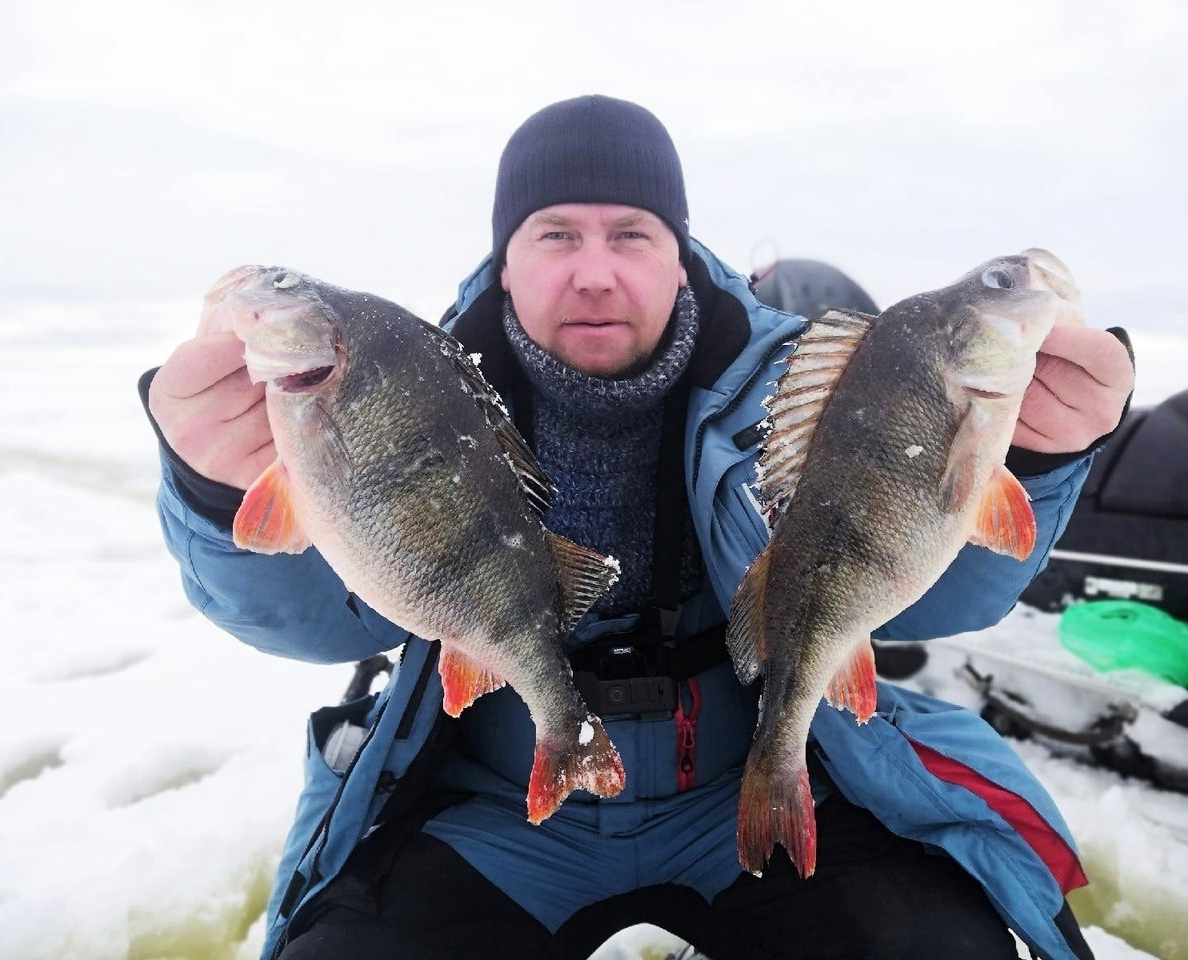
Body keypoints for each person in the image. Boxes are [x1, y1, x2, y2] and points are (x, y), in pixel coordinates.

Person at [139, 95, 1135, 960]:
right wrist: (218, 495)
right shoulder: (405, 390)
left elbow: (937, 595)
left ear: (678, 251)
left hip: (743, 770)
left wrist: (1038, 462)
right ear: (505, 256)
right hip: (494, 799)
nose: (594, 272)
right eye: (555, 234)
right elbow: (318, 622)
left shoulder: (807, 383)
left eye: (630, 233)